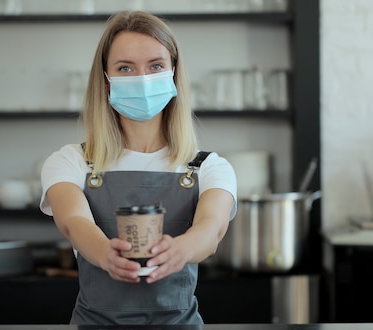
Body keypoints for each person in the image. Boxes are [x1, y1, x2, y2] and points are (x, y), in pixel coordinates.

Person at [39, 10, 237, 325]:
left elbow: (211, 229)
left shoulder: (209, 167)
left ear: (174, 73)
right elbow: (73, 221)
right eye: (125, 67)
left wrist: (181, 250)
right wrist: (104, 252)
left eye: (155, 66)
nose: (142, 79)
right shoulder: (70, 161)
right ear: (105, 80)